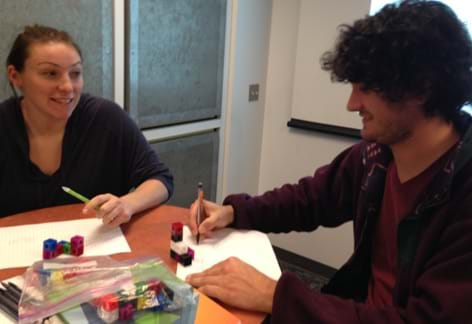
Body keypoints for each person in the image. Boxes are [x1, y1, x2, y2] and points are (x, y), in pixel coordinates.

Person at [186, 1, 472, 323]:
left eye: (365, 88)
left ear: (421, 88)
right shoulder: (374, 157)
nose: (351, 104)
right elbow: (309, 199)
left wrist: (276, 296)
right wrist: (235, 211)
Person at [0, 25, 173, 226]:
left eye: (75, 73)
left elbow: (160, 180)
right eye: (50, 73)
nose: (67, 86)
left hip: (96, 251)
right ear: (15, 76)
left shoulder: (106, 118)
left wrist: (127, 204)